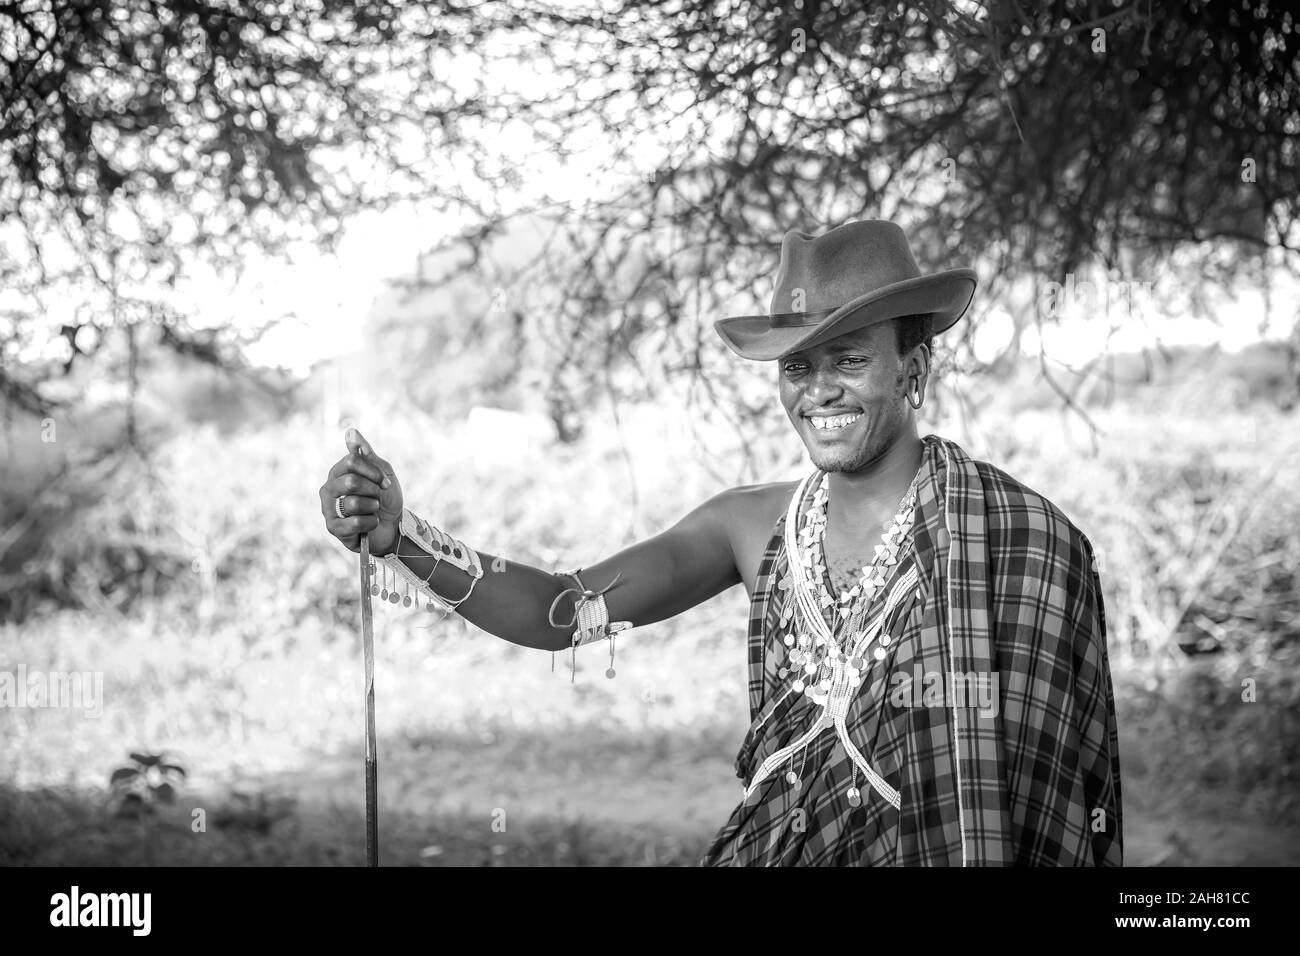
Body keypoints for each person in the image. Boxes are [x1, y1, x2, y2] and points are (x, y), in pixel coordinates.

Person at [319, 220, 1123, 866]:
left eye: (849, 359)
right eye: (798, 366)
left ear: (912, 370)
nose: (819, 392)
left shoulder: (1021, 540)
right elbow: (563, 612)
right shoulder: (751, 527)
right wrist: (403, 535)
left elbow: (1057, 781)